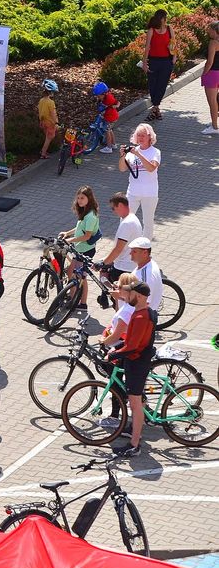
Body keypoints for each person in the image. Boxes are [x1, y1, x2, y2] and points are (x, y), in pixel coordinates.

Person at [98, 281, 156, 457]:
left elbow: (131, 346)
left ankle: (134, 444)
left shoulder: (139, 317)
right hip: (140, 360)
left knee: (135, 405)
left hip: (136, 363)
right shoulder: (147, 312)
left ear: (137, 296)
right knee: (137, 402)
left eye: (130, 294)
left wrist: (113, 355)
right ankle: (135, 431)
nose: (127, 296)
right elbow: (133, 341)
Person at [59, 185, 99, 314]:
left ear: (89, 198)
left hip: (86, 251)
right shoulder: (85, 212)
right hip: (79, 249)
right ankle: (72, 297)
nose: (79, 201)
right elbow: (79, 229)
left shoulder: (91, 216)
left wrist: (70, 240)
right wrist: (68, 233)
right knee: (72, 272)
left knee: (80, 277)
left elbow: (87, 235)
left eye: (82, 198)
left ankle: (82, 304)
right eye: (78, 198)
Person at [118, 123, 160, 240]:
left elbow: (151, 168)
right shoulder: (132, 152)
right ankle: (123, 246)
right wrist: (122, 156)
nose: (140, 138)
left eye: (143, 135)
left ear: (149, 137)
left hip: (150, 193)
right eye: (138, 135)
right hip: (133, 192)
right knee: (125, 219)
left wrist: (138, 154)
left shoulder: (155, 152)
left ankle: (145, 248)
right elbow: (122, 168)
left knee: (148, 222)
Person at [97, 193, 144, 292]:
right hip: (129, 263)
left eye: (113, 208)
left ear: (121, 205)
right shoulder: (132, 218)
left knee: (118, 294)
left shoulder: (127, 223)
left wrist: (103, 262)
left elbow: (118, 249)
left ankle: (113, 298)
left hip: (123, 267)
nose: (113, 211)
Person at [141, 9, 174, 121]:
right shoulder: (151, 30)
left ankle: (154, 109)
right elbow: (147, 47)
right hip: (153, 61)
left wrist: (174, 58)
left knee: (162, 85)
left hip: (166, 61)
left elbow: (173, 44)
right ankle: (156, 109)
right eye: (165, 18)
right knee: (153, 85)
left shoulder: (169, 29)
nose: (166, 20)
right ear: (161, 19)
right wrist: (145, 63)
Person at [127, 237, 164, 322]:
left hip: (141, 319)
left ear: (145, 253)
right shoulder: (147, 264)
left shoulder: (146, 275)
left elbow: (145, 302)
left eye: (134, 251)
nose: (130, 253)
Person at [91, 80, 119, 153]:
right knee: (110, 130)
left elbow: (117, 103)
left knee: (107, 131)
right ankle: (114, 144)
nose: (98, 97)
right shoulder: (104, 97)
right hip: (109, 117)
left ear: (104, 93)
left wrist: (114, 106)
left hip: (110, 117)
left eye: (99, 96)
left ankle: (109, 147)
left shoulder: (109, 98)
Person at [202, 21, 219, 134]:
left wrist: (204, 73)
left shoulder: (213, 43)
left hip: (212, 73)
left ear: (215, 30)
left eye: (209, 29)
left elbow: (210, 61)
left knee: (212, 101)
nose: (208, 31)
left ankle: (214, 127)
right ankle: (214, 123)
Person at [38, 79, 59, 159]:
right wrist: (56, 123)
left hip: (43, 122)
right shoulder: (50, 102)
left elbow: (40, 111)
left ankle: (43, 150)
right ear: (51, 92)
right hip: (50, 122)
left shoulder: (41, 100)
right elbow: (53, 113)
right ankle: (43, 153)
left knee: (47, 136)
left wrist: (40, 121)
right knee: (49, 137)